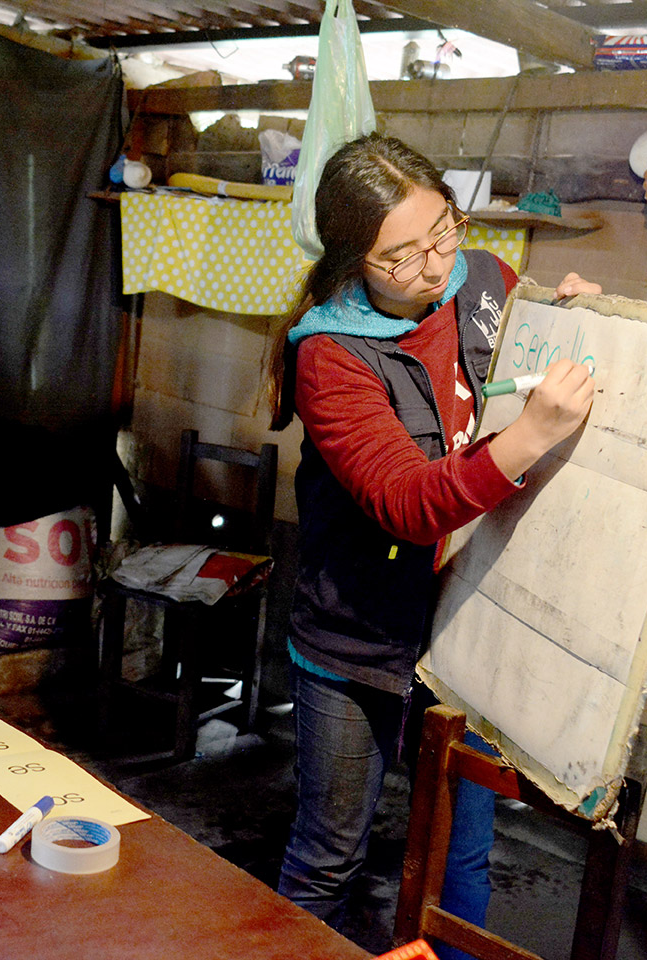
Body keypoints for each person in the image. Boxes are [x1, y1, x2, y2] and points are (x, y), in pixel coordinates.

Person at [264, 134, 599, 952]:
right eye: (400, 256)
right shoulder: (332, 355)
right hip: (358, 640)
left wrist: (567, 309)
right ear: (354, 260)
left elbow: (517, 354)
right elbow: (408, 503)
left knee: (463, 855)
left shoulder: (481, 278)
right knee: (328, 857)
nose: (433, 265)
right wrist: (531, 437)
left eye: (443, 231)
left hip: (463, 626)